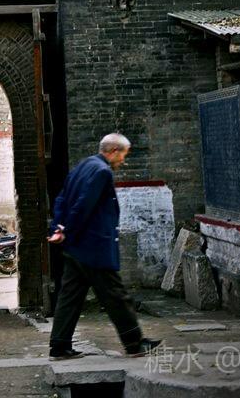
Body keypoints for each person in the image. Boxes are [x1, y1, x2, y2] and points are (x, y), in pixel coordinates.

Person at [47, 133, 161, 360]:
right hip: (94, 246)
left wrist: (58, 228)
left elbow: (61, 199)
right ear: (114, 151)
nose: (123, 161)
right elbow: (83, 206)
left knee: (69, 298)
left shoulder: (82, 166)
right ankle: (134, 344)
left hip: (75, 247)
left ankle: (59, 346)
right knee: (116, 296)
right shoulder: (102, 172)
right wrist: (68, 230)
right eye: (123, 155)